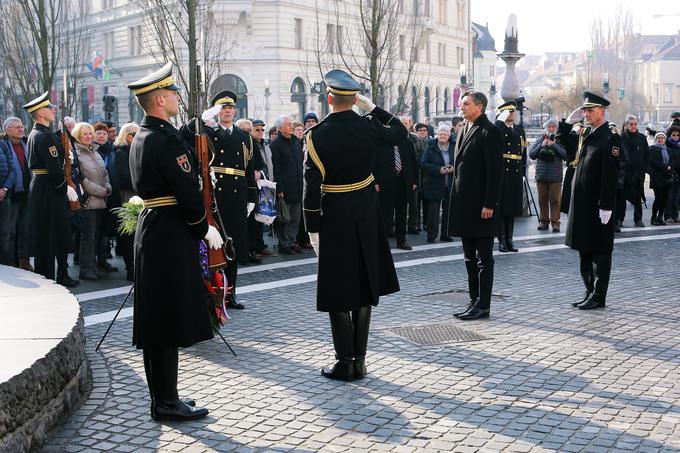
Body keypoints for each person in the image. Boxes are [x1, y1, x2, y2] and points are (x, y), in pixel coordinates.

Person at [127, 62, 223, 421]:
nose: (178, 98)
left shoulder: (144, 135)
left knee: (158, 320)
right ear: (159, 99)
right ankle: (166, 402)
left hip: (155, 229)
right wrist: (202, 228)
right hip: (169, 232)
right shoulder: (164, 140)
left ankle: (165, 397)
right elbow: (186, 190)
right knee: (165, 320)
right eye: (174, 93)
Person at [303, 69, 406, 381]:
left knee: (338, 290)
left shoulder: (316, 135)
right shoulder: (369, 127)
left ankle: (345, 361)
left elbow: (311, 187)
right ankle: (359, 360)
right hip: (365, 212)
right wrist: (372, 107)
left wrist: (312, 227)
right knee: (363, 287)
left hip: (334, 216)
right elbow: (399, 132)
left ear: (329, 98)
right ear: (354, 100)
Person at [179, 90, 258, 309]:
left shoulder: (244, 137)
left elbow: (249, 169)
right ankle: (211, 293)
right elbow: (183, 135)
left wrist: (252, 196)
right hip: (213, 196)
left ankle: (231, 292)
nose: (227, 111)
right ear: (216, 112)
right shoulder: (206, 132)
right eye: (223, 108)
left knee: (232, 246)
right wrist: (202, 118)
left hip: (236, 197)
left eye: (230, 108)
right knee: (212, 246)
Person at [558, 92, 620, 310]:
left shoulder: (610, 137)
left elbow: (610, 175)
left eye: (590, 111)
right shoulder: (585, 134)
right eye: (584, 110)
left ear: (601, 112)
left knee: (600, 252)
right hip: (582, 204)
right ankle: (589, 291)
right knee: (584, 248)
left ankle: (599, 295)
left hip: (597, 204)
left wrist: (606, 205)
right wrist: (567, 123)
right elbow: (562, 143)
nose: (586, 114)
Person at [445, 91, 503, 320]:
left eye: (466, 104)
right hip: (465, 206)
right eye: (462, 105)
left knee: (483, 259)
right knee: (469, 259)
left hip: (481, 208)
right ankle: (474, 300)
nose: (462, 108)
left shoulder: (491, 131)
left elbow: (494, 172)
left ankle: (484, 304)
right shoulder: (464, 129)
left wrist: (489, 203)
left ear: (479, 106)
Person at [23, 92, 78, 284]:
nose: (52, 110)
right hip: (49, 188)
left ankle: (46, 277)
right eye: (48, 108)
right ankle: (48, 280)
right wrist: (66, 188)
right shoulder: (44, 137)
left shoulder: (36, 134)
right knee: (48, 239)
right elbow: (54, 171)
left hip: (42, 187)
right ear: (40, 113)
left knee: (45, 238)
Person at [72, 122, 112, 281]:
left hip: (101, 200)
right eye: (85, 134)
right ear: (77, 136)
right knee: (88, 237)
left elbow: (105, 173)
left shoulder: (95, 152)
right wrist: (102, 191)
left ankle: (93, 266)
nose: (89, 136)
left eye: (90, 133)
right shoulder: (76, 154)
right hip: (88, 202)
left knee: (96, 236)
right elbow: (82, 181)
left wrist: (108, 186)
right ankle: (86, 269)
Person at [374, 116, 418, 250]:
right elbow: (374, 164)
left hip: (403, 182)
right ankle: (384, 239)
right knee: (385, 211)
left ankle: (402, 240)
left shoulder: (406, 142)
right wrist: (375, 182)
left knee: (402, 212)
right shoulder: (381, 143)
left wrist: (414, 181)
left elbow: (413, 163)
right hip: (385, 183)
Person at [495, 100, 526, 252]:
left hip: (516, 171)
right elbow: (499, 141)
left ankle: (509, 238)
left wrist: (523, 171)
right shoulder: (498, 128)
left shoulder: (519, 129)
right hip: (503, 171)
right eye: (509, 111)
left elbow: (523, 152)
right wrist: (500, 122)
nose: (513, 113)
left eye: (513, 111)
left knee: (512, 207)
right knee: (502, 207)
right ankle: (501, 239)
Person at [2, 117, 33, 271]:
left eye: (21, 126)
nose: (21, 129)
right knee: (10, 231)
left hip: (27, 193)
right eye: (16, 127)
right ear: (7, 130)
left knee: (26, 229)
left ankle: (24, 259)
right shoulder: (4, 145)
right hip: (12, 194)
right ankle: (11, 262)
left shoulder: (27, 143)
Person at [270, 115, 304, 255]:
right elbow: (276, 169)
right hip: (285, 188)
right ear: (280, 128)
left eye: (291, 124)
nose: (291, 127)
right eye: (288, 124)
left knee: (295, 218)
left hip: (297, 186)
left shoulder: (295, 143)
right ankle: (284, 244)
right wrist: (279, 189)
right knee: (284, 217)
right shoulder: (276, 145)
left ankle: (291, 241)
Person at [528, 118, 567, 232]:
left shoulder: (560, 140)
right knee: (542, 201)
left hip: (555, 176)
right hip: (541, 175)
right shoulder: (540, 139)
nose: (551, 128)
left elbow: (565, 155)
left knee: (555, 201)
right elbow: (531, 154)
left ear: (556, 128)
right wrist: (541, 145)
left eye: (553, 127)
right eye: (549, 127)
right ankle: (544, 222)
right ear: (546, 128)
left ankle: (556, 223)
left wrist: (554, 145)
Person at [113, 122, 140, 281]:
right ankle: (131, 267)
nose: (137, 138)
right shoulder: (121, 153)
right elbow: (123, 176)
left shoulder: (140, 150)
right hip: (128, 196)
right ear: (126, 136)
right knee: (129, 234)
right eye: (134, 135)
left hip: (141, 194)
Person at [420, 124, 454, 242]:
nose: (442, 136)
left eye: (445, 134)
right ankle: (432, 235)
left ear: (449, 136)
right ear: (437, 135)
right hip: (434, 183)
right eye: (440, 134)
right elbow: (423, 164)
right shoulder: (431, 147)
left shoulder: (453, 147)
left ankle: (446, 234)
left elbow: (460, 161)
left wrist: (453, 168)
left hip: (449, 184)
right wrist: (438, 169)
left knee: (448, 211)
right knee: (433, 212)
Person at [92, 122, 119, 273]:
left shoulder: (112, 150)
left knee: (105, 231)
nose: (102, 136)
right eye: (98, 133)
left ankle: (102, 260)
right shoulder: (92, 151)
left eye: (104, 133)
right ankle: (91, 263)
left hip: (111, 194)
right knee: (93, 232)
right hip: (96, 194)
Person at [248, 119, 276, 258]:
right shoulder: (251, 143)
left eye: (262, 129)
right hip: (254, 184)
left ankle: (259, 245)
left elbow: (267, 164)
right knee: (254, 217)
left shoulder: (264, 143)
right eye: (257, 129)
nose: (260, 132)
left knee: (263, 215)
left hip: (265, 183)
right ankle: (252, 247)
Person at [619, 115, 649, 228]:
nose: (633, 126)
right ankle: (619, 219)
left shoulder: (642, 137)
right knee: (622, 198)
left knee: (638, 198)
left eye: (635, 124)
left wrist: (644, 167)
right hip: (626, 173)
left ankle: (638, 219)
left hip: (638, 173)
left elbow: (646, 153)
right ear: (626, 125)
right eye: (631, 124)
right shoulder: (621, 138)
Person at [649, 132, 674, 226]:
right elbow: (652, 162)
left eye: (662, 138)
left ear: (665, 140)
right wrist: (665, 167)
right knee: (658, 198)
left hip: (667, 178)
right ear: (656, 139)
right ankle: (653, 217)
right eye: (658, 137)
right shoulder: (652, 149)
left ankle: (660, 217)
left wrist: (670, 166)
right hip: (657, 177)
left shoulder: (668, 150)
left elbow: (673, 161)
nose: (660, 139)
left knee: (665, 199)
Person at [0, 131, 17, 265]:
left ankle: (6, 266)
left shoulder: (3, 145)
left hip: (4, 196)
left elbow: (12, 170)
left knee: (5, 233)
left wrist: (5, 188)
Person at [663, 125, 680, 223]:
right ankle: (668, 216)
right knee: (669, 197)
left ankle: (675, 215)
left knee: (676, 197)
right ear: (670, 135)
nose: (676, 137)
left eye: (678, 135)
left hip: (679, 175)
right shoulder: (666, 146)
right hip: (670, 175)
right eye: (674, 135)